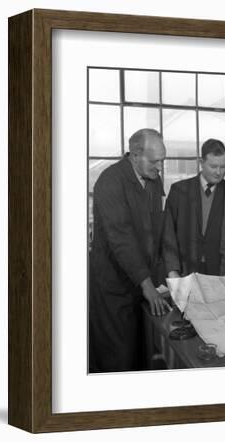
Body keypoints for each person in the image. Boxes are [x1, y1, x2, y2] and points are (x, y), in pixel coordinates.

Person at [88, 128, 172, 373]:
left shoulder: (153, 180)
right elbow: (121, 238)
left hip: (143, 282)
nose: (160, 167)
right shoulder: (110, 181)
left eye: (162, 161)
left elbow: (156, 231)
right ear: (135, 155)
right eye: (155, 161)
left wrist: (164, 278)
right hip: (114, 287)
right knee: (119, 354)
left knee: (143, 352)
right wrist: (147, 286)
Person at [163, 139, 225, 277]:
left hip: (221, 272)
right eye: (213, 166)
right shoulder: (179, 190)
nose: (218, 172)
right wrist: (172, 270)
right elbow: (168, 235)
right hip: (184, 270)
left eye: (223, 167)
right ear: (201, 163)